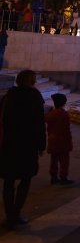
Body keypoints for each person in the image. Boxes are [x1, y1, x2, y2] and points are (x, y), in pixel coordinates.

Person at [0, 69, 46, 229]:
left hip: (9, 145)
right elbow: (39, 123)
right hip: (27, 145)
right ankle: (16, 213)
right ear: (31, 81)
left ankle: (9, 214)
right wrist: (41, 145)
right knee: (25, 180)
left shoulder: (8, 96)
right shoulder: (34, 97)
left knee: (8, 180)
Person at [45, 93, 74, 185]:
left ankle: (53, 177)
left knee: (54, 159)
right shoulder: (64, 114)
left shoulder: (50, 114)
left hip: (52, 139)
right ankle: (63, 177)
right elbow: (66, 129)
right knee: (64, 160)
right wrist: (69, 141)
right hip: (62, 140)